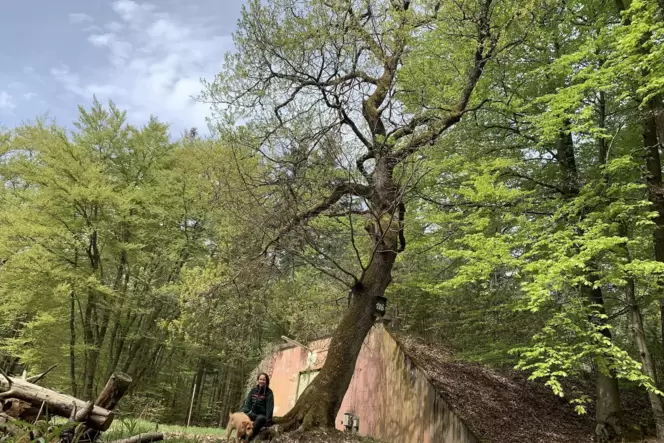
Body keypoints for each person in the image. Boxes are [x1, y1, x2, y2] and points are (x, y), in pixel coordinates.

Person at [241, 372, 274, 441]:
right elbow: (248, 404)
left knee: (259, 420)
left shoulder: (269, 393)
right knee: (245, 417)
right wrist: (243, 412)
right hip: (253, 413)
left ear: (267, 381)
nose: (262, 381)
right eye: (260, 379)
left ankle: (248, 439)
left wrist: (268, 421)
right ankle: (242, 436)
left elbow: (269, 408)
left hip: (262, 416)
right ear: (258, 380)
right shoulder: (253, 391)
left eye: (264, 380)